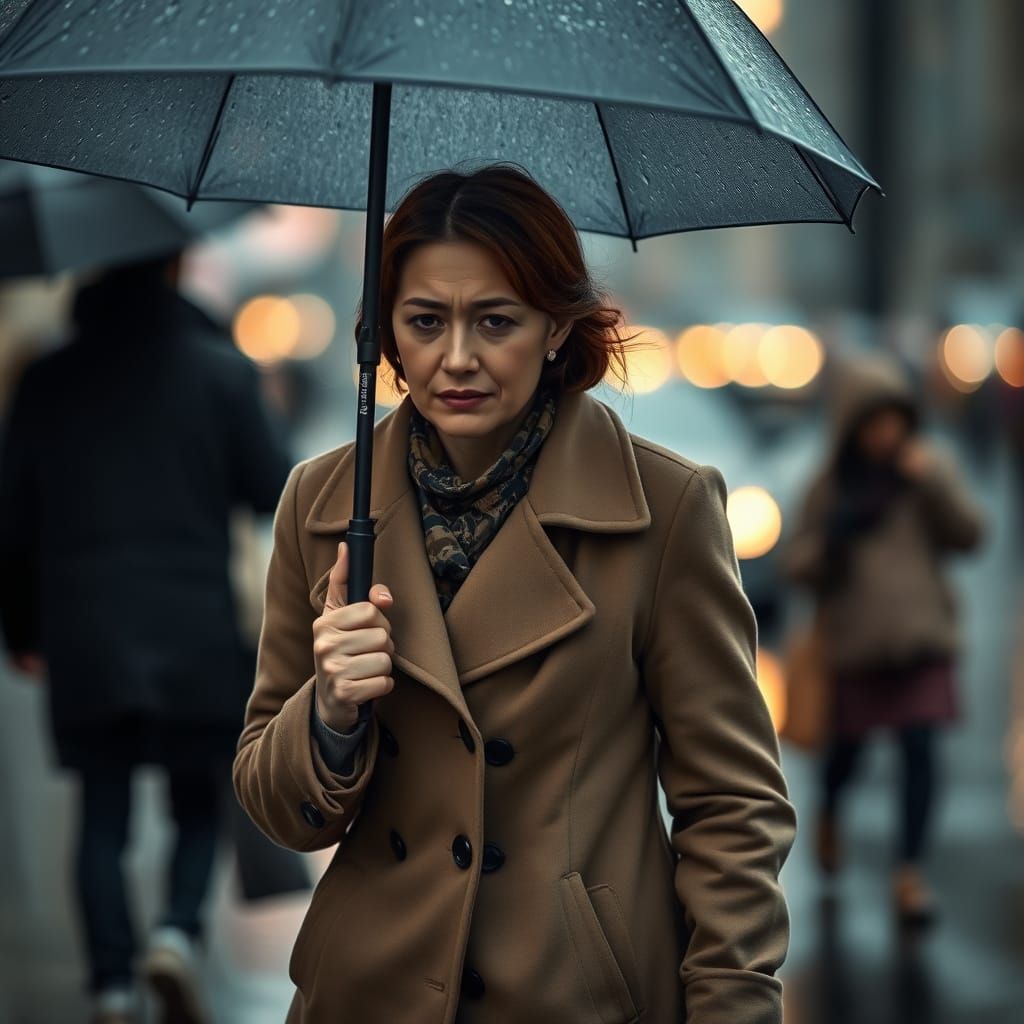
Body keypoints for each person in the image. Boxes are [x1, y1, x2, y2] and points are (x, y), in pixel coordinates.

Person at [233, 165, 796, 1024]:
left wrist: (730, 1006)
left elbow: (732, 807)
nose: (457, 358)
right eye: (424, 322)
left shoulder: (666, 510)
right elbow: (278, 806)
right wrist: (332, 712)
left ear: (558, 328)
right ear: (386, 334)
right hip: (370, 991)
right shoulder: (320, 504)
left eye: (496, 321)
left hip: (572, 993)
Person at [0, 256, 293, 1024]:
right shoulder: (221, 372)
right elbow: (273, 488)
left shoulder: (47, 378)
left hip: (85, 631)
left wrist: (23, 631)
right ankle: (176, 933)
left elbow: (13, 523)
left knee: (103, 816)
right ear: (173, 266)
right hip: (192, 626)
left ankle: (111, 984)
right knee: (198, 804)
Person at [784, 356, 984, 925]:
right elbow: (797, 564)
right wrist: (833, 542)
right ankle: (828, 817)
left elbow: (971, 534)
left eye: (895, 421)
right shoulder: (829, 486)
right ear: (852, 426)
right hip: (856, 649)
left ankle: (909, 875)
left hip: (922, 642)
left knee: (921, 753)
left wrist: (935, 483)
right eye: (874, 423)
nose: (886, 435)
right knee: (845, 757)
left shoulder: (928, 468)